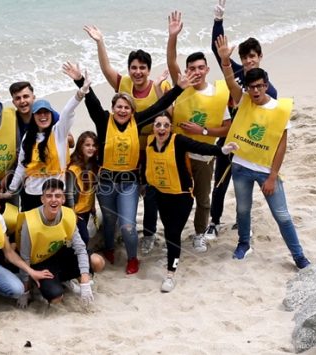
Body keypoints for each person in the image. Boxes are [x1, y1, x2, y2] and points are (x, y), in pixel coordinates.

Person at [67, 62, 197, 274]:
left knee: (127, 226)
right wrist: (80, 80)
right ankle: (109, 248)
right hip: (106, 183)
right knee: (109, 219)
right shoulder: (103, 121)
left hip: (129, 183)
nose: (122, 110)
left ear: (132, 110)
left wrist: (179, 88)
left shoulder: (137, 122)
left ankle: (132, 258)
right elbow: (92, 102)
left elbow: (159, 105)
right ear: (113, 108)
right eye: (119, 106)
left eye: (127, 107)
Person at [216, 36, 311, 269]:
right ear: (247, 88)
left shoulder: (279, 109)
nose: (256, 90)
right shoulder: (244, 100)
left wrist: (271, 175)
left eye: (260, 86)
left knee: (282, 215)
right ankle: (244, 243)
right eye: (252, 87)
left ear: (266, 85)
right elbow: (230, 83)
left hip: (266, 170)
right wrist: (225, 60)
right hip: (241, 166)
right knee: (242, 209)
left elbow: (281, 144)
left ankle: (299, 256)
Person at [83, 25, 171, 254]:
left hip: (149, 152)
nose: (138, 71)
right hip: (118, 153)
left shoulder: (156, 89)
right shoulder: (122, 86)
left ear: (149, 70)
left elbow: (165, 109)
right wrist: (100, 42)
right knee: (114, 210)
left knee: (149, 197)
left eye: (142, 67)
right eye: (134, 67)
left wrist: (174, 87)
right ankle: (116, 234)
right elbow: (105, 69)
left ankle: (148, 234)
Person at [205, 0, 278, 240]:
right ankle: (214, 222)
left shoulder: (270, 89)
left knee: (245, 184)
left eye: (252, 57)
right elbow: (219, 50)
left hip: (251, 141)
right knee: (220, 181)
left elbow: (271, 121)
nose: (248, 61)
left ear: (260, 57)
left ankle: (241, 220)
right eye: (245, 57)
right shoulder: (233, 72)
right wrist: (218, 19)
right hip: (228, 135)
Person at [145, 111, 238, 292]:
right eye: (158, 125)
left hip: (181, 197)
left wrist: (222, 150)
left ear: (170, 127)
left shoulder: (178, 141)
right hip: (161, 194)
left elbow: (199, 147)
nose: (162, 128)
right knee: (169, 230)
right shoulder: (149, 142)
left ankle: (170, 273)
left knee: (173, 233)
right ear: (153, 127)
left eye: (165, 125)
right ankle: (173, 253)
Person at [167, 11, 231, 253]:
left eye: (200, 67)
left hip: (204, 156)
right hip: (180, 153)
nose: (196, 71)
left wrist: (202, 130)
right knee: (179, 197)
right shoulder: (182, 86)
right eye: (191, 68)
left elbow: (227, 127)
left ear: (206, 70)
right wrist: (172, 36)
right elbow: (171, 60)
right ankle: (175, 232)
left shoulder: (217, 93)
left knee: (203, 199)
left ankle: (199, 234)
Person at [8, 73, 89, 211]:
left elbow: (67, 111)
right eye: (39, 113)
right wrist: (11, 189)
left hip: (54, 195)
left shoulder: (59, 132)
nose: (43, 116)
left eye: (46, 112)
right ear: (33, 116)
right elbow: (22, 166)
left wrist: (80, 93)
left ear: (52, 115)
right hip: (31, 194)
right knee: (30, 230)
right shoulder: (27, 137)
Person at [17, 178, 103, 306]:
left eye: (58, 196)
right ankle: (41, 285)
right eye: (49, 196)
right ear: (42, 199)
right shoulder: (29, 222)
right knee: (56, 298)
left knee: (98, 262)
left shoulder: (68, 215)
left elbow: (80, 249)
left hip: (61, 256)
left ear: (63, 199)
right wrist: (25, 291)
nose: (53, 199)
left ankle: (67, 280)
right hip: (41, 263)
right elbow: (25, 258)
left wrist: (85, 281)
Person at [9, 81, 75, 148]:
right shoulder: (10, 120)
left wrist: (46, 141)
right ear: (13, 102)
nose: (22, 101)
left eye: (25, 96)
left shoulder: (48, 115)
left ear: (33, 97)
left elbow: (71, 143)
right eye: (18, 98)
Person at [65, 131, 100, 246]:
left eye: (94, 145)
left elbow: (91, 191)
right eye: (87, 145)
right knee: (83, 238)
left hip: (86, 210)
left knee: (83, 239)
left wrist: (93, 207)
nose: (91, 148)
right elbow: (69, 194)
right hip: (76, 212)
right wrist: (72, 214)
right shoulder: (73, 168)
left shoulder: (93, 164)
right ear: (80, 146)